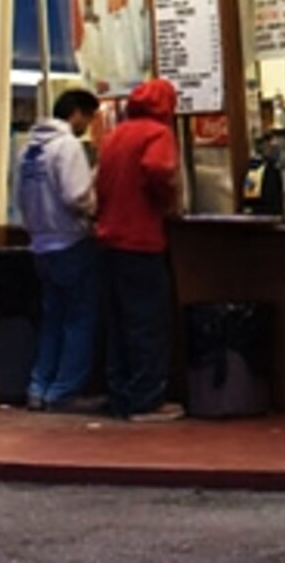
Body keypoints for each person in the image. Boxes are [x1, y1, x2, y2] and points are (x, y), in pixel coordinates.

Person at [93, 77, 183, 422]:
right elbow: (158, 168)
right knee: (147, 321)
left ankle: (121, 396)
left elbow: (99, 181)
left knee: (117, 323)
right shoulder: (158, 134)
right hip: (141, 239)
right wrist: (167, 199)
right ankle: (147, 400)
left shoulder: (117, 134)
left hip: (108, 239)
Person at [14, 87, 100, 410]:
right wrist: (93, 206)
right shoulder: (67, 147)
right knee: (79, 320)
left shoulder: (29, 151)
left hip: (41, 246)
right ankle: (63, 391)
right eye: (89, 117)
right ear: (76, 113)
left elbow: (19, 198)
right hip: (71, 242)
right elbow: (76, 195)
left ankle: (38, 387)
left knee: (52, 320)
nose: (88, 125)